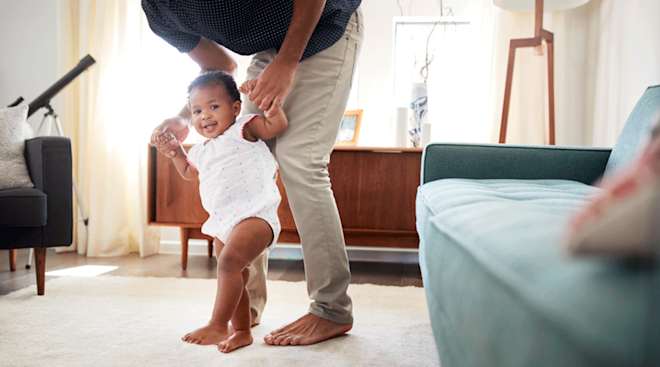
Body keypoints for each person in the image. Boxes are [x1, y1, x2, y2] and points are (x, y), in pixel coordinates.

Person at [143, 0, 363, 346]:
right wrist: (184, 119)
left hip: (324, 27)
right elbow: (219, 66)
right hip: (268, 47)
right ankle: (244, 312)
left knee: (299, 161)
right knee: (242, 147)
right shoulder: (158, 11)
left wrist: (287, 62)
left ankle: (331, 309)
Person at [157, 71, 287, 352]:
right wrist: (176, 151)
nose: (205, 116)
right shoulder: (202, 150)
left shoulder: (244, 129)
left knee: (229, 264)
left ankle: (218, 323)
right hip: (222, 223)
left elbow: (276, 125)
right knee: (234, 273)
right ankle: (241, 331)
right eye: (197, 110)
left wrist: (269, 106)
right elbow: (189, 174)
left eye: (214, 106)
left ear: (236, 108)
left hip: (256, 215)